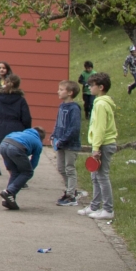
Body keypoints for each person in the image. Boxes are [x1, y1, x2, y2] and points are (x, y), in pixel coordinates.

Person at [0, 73, 33, 186]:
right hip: (16, 128)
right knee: (16, 153)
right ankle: (19, 178)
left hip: (1, 126)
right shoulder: (20, 100)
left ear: (5, 83)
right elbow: (26, 117)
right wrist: (26, 130)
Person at [84, 71, 118, 221]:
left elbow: (99, 128)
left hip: (104, 144)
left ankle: (108, 209)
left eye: (92, 85)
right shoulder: (99, 103)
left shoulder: (101, 105)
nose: (90, 88)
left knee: (102, 176)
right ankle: (95, 206)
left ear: (101, 87)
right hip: (101, 144)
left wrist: (96, 147)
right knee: (95, 176)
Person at [51, 79, 85, 207]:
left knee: (69, 168)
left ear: (70, 92)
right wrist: (54, 135)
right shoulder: (61, 106)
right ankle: (70, 190)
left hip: (70, 145)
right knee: (61, 168)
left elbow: (74, 128)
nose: (58, 92)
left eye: (61, 90)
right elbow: (58, 123)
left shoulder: (74, 108)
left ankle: (71, 196)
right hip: (60, 143)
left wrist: (63, 139)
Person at [0, 124, 44, 210]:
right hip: (17, 148)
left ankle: (8, 200)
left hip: (4, 144)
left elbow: (6, 142)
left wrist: (8, 167)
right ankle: (9, 192)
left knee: (15, 172)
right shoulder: (38, 142)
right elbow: (34, 161)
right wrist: (25, 175)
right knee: (28, 172)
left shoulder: (19, 133)